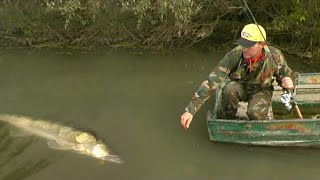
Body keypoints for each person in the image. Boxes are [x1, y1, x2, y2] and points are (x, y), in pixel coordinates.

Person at [180, 23, 294, 129]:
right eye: (243, 43)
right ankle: (228, 121)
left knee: (255, 114)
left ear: (262, 44)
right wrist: (190, 110)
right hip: (240, 86)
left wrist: (287, 83)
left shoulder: (275, 56)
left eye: (249, 45)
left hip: (261, 89)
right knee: (228, 89)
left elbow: (287, 76)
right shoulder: (234, 55)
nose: (244, 48)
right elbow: (212, 81)